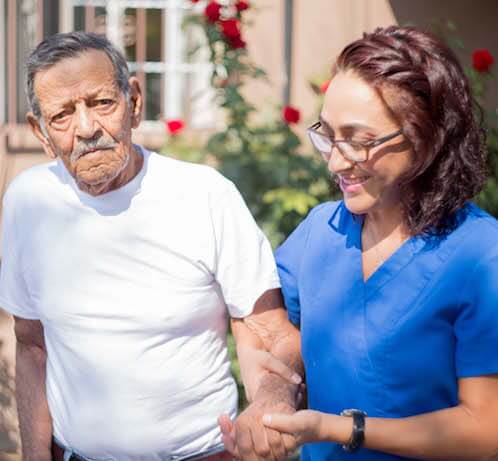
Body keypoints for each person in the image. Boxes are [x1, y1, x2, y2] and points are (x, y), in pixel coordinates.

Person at [0, 32, 303, 461]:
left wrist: (272, 399)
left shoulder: (205, 195)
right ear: (41, 132)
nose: (87, 129)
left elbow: (269, 331)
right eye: (62, 115)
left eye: (102, 103)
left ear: (135, 102)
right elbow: (31, 345)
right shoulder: (28, 201)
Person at [251, 26, 498, 460]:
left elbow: (487, 430)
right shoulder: (321, 230)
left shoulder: (481, 256)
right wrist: (274, 392)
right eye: (327, 133)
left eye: (361, 141)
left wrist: (343, 428)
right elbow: (270, 323)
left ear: (427, 138)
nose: (335, 159)